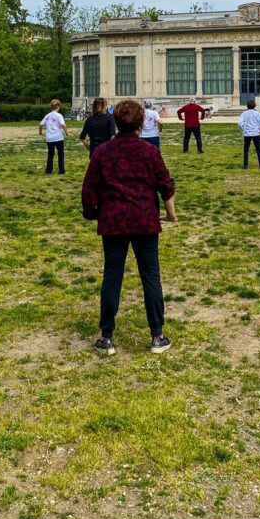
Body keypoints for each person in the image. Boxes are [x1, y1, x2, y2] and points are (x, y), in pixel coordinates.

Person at [81, 99, 176, 355]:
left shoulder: (103, 153)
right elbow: (165, 184)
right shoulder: (149, 152)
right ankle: (157, 334)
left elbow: (89, 187)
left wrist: (91, 213)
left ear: (116, 122)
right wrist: (171, 213)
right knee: (150, 276)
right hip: (144, 220)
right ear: (141, 122)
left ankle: (106, 336)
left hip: (113, 221)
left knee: (112, 276)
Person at [40, 99, 69, 174]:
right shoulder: (59, 115)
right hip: (59, 137)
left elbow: (40, 124)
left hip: (49, 138)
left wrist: (40, 132)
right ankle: (61, 170)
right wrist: (66, 133)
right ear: (58, 106)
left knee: (50, 154)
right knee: (60, 154)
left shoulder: (48, 116)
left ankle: (48, 170)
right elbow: (63, 125)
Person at [238, 98, 260, 169]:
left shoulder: (244, 114)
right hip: (256, 133)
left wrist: (243, 130)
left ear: (247, 106)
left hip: (247, 134)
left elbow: (239, 123)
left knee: (246, 150)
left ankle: (245, 165)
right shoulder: (258, 114)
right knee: (258, 149)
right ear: (254, 106)